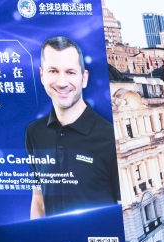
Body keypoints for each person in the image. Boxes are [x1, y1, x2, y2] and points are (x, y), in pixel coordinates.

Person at [25, 36, 118, 219]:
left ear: (84, 78)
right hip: (53, 237)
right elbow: (39, 200)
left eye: (70, 72)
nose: (62, 82)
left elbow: (121, 205)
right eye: (53, 71)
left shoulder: (109, 136)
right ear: (42, 75)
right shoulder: (34, 132)